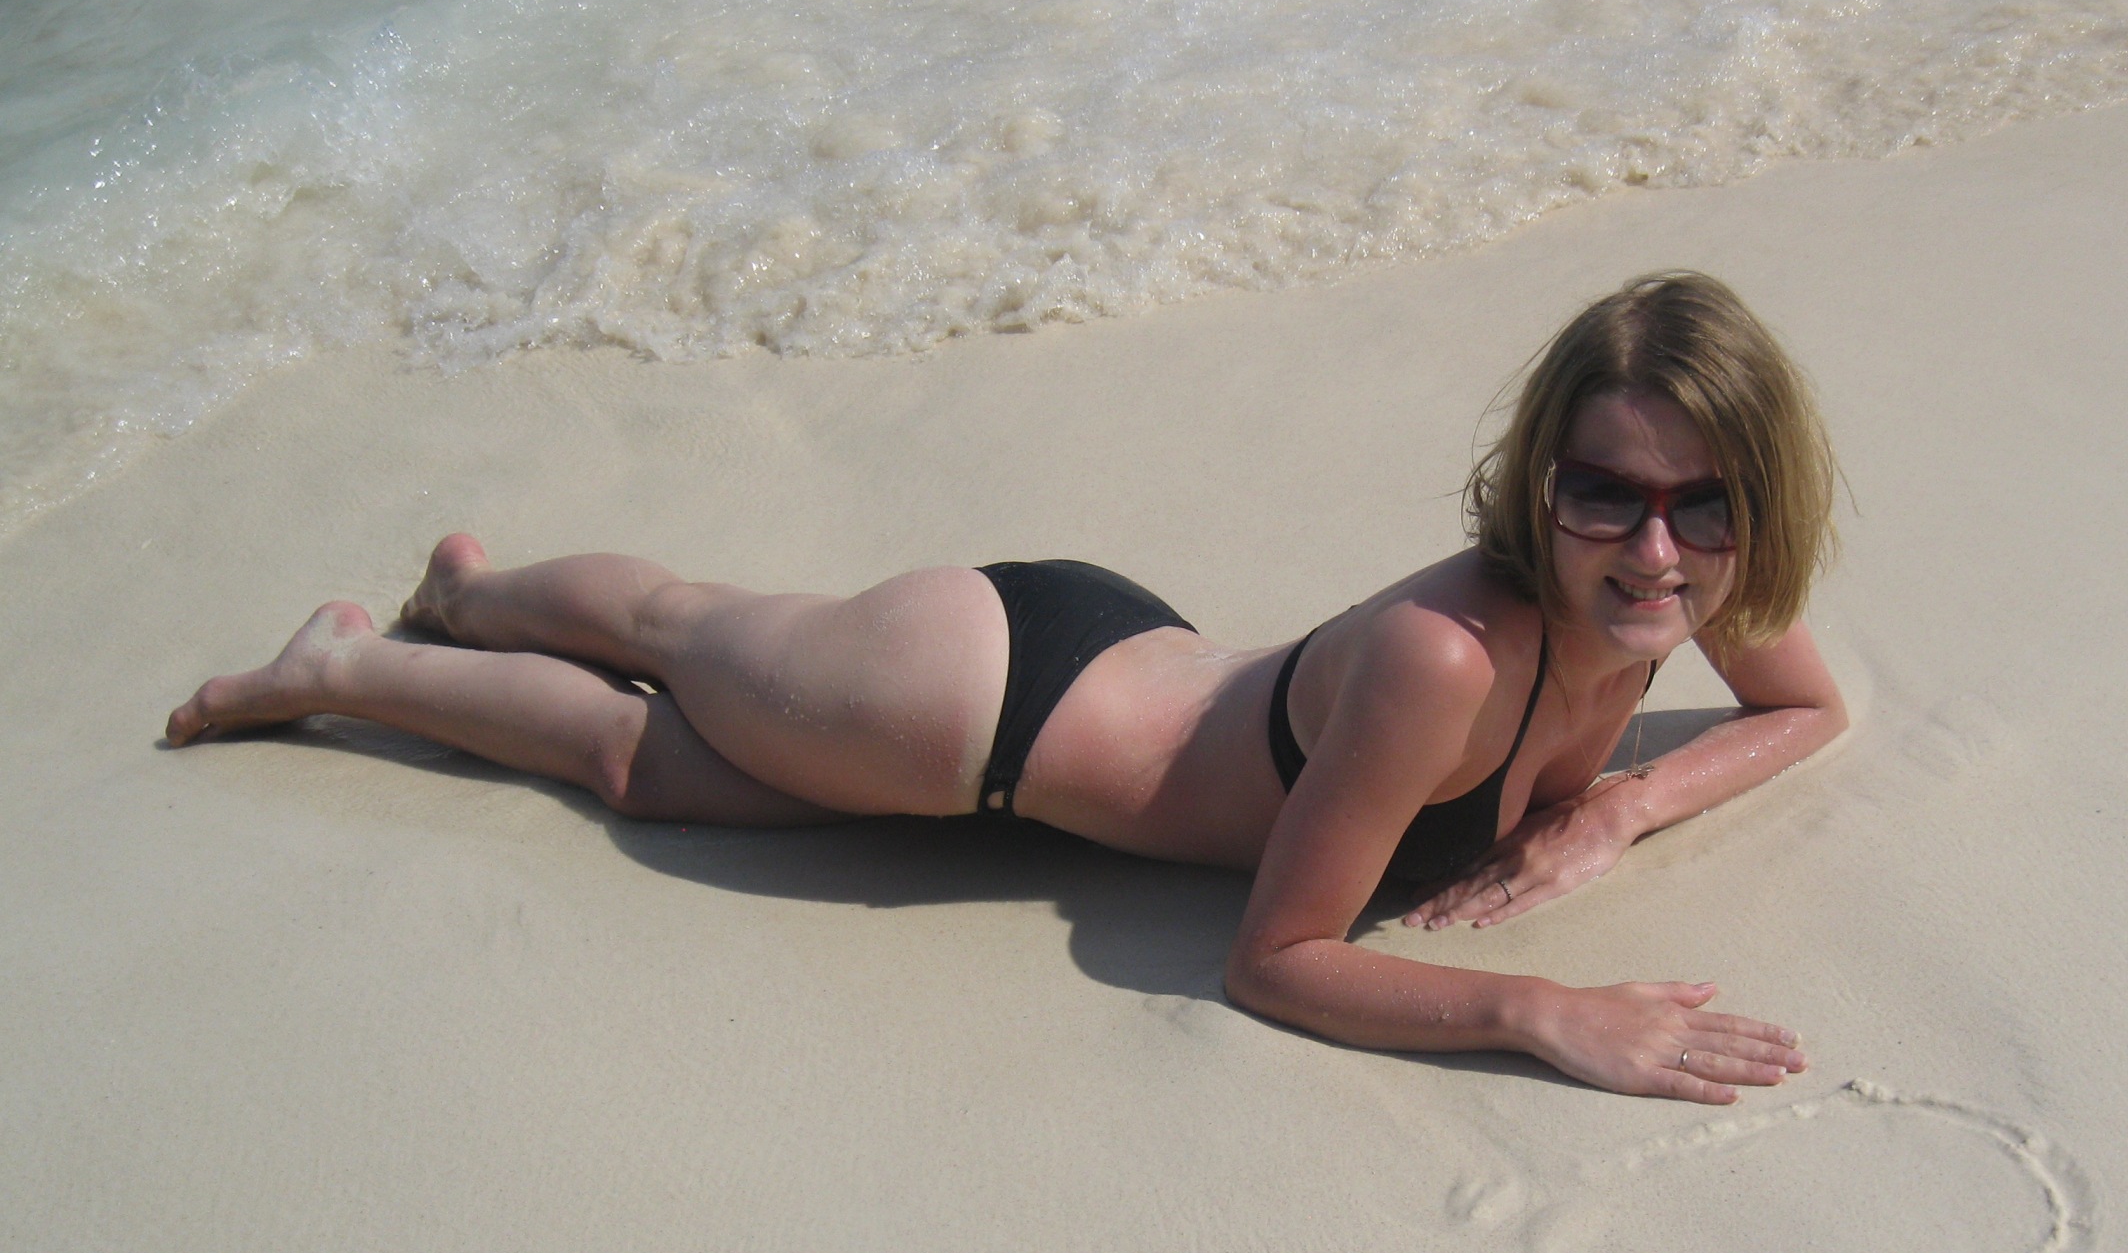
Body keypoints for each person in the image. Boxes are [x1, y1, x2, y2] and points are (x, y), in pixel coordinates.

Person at [167, 271, 1849, 1102]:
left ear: (1750, 504)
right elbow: (1274, 960)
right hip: (978, 707)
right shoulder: (1448, 658)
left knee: (660, 738)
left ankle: (351, 662)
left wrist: (1622, 807)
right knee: (670, 673)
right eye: (1604, 492)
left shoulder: (1670, 594)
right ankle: (453, 603)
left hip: (1134, 678)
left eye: (1703, 504)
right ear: (1540, 485)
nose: (1654, 547)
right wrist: (1537, 1011)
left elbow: (1807, 708)